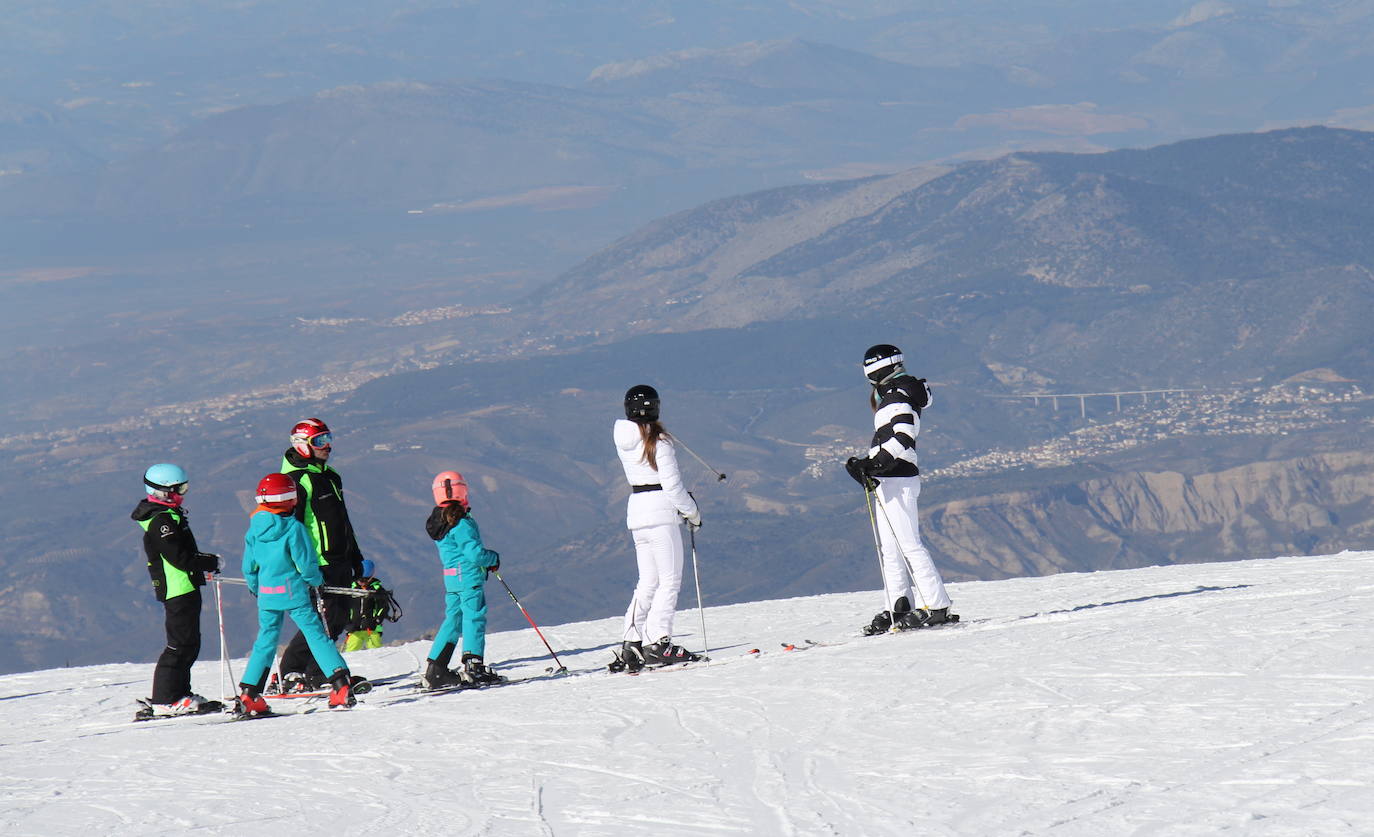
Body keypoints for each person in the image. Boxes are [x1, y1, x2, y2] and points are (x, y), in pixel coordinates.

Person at [845, 344, 954, 634]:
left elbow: (905, 434)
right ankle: (899, 605)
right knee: (891, 547)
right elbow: (892, 439)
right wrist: (866, 465)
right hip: (890, 478)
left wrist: (876, 463)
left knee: (908, 544)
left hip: (898, 478)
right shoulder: (896, 393)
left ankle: (937, 606)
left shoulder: (897, 395)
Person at [236, 473, 357, 715]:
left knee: (266, 640)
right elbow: (306, 563)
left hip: (267, 594)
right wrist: (316, 582)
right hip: (294, 592)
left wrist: (255, 587)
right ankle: (340, 684)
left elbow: (249, 566)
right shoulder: (294, 528)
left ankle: (249, 693)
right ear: (291, 499)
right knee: (316, 635)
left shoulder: (253, 530)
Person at [610, 385, 702, 672]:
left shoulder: (625, 439)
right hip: (661, 511)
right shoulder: (659, 443)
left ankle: (632, 638)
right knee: (669, 580)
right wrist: (692, 512)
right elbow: (673, 486)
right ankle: (657, 642)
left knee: (647, 581)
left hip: (637, 510)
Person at [275, 417, 367, 691]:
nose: (327, 446)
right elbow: (292, 527)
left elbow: (343, 521)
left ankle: (311, 672)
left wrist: (356, 557)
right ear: (302, 446)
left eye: (328, 438)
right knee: (322, 619)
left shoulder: (330, 476)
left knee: (337, 618)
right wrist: (298, 565)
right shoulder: (296, 480)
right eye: (319, 441)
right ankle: (296, 671)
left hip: (339, 559)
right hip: (316, 563)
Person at [131, 463, 223, 718]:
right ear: (162, 492)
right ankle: (166, 698)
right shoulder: (160, 520)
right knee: (180, 644)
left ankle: (180, 693)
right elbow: (179, 557)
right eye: (178, 489)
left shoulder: (168, 516)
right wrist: (210, 561)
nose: (183, 493)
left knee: (190, 642)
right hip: (177, 588)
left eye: (184, 487)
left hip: (184, 585)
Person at [421, 471, 503, 689]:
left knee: (453, 620)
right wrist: (492, 558)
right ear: (463, 491)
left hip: (451, 578)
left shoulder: (438, 521)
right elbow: (474, 554)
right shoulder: (462, 522)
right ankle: (474, 665)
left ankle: (435, 669)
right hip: (468, 576)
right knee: (474, 616)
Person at [343, 559, 398, 652]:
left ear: (371, 577)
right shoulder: (350, 589)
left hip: (372, 629)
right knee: (350, 655)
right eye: (360, 579)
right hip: (354, 629)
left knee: (376, 654)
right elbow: (343, 607)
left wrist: (376, 620)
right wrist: (347, 623)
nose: (362, 582)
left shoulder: (377, 590)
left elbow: (384, 608)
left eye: (366, 579)